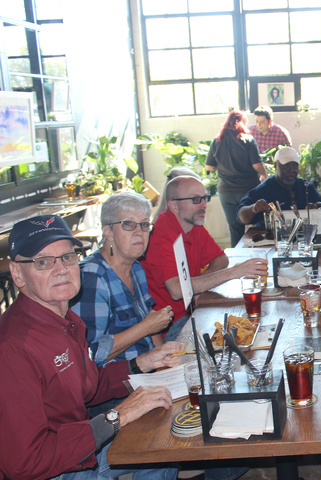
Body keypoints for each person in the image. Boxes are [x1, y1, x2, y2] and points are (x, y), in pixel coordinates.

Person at [0, 214, 182, 480]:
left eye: (67, 257)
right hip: (53, 469)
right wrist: (116, 417)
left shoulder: (66, 320)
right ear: (17, 273)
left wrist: (143, 362)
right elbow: (26, 463)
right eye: (43, 262)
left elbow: (90, 387)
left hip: (80, 446)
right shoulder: (12, 348)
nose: (61, 269)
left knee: (165, 439)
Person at [142, 175, 267, 341]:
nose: (203, 205)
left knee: (257, 324)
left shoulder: (192, 223)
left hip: (195, 309)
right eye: (195, 199)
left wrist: (198, 284)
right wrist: (234, 272)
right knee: (246, 334)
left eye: (204, 198)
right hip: (172, 325)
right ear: (174, 205)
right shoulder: (160, 233)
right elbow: (177, 291)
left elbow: (221, 259)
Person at [72, 192, 173, 369]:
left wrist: (168, 362)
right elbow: (89, 353)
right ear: (108, 232)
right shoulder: (92, 277)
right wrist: (146, 327)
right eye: (129, 224)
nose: (139, 233)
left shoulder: (136, 268)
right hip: (118, 379)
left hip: (149, 367)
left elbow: (152, 327)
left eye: (144, 225)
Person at [205, 109, 267, 247]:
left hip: (226, 191)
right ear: (243, 122)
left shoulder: (217, 141)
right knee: (258, 224)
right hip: (248, 189)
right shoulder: (248, 140)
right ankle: (260, 253)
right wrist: (264, 175)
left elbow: (209, 166)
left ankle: (236, 257)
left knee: (235, 229)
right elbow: (256, 165)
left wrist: (223, 164)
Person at [237, 147, 321, 228]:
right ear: (275, 165)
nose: (291, 169)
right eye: (286, 165)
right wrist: (253, 209)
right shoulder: (264, 189)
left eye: (295, 165)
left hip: (305, 236)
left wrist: (317, 207)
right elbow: (241, 217)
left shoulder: (306, 187)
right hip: (271, 237)